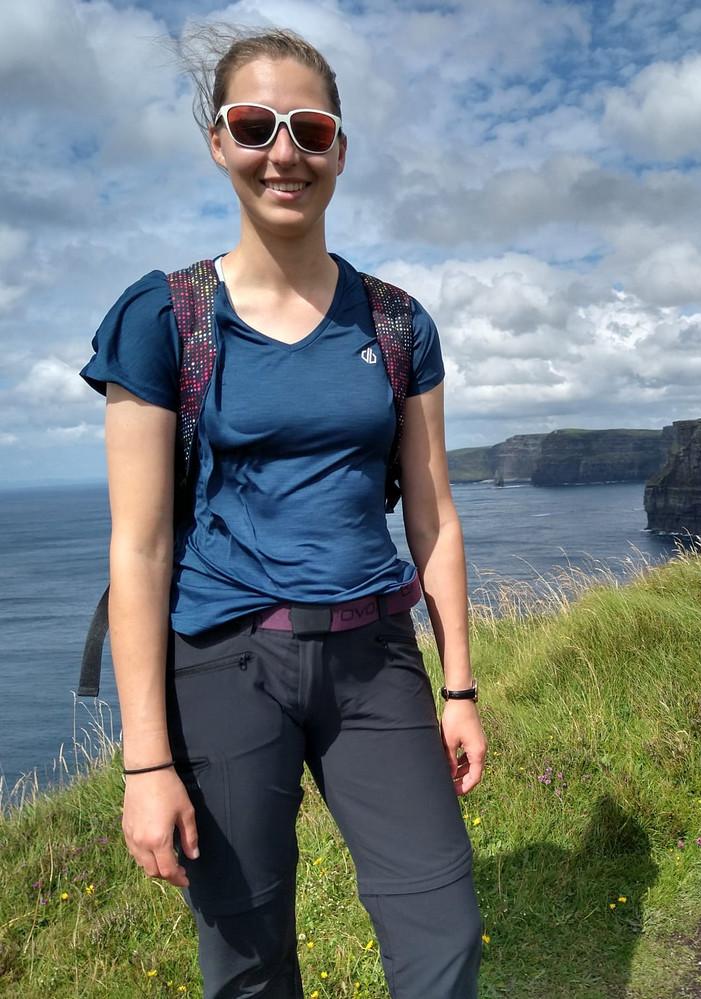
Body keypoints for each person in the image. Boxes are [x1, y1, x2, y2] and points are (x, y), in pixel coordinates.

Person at [80, 25, 486, 998]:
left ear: (340, 148)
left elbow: (432, 515)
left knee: (444, 931)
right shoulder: (164, 317)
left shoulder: (394, 322)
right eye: (255, 125)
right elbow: (137, 550)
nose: (284, 153)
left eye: (310, 128)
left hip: (374, 659)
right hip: (225, 663)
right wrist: (146, 766)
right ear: (218, 142)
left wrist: (459, 686)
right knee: (248, 958)